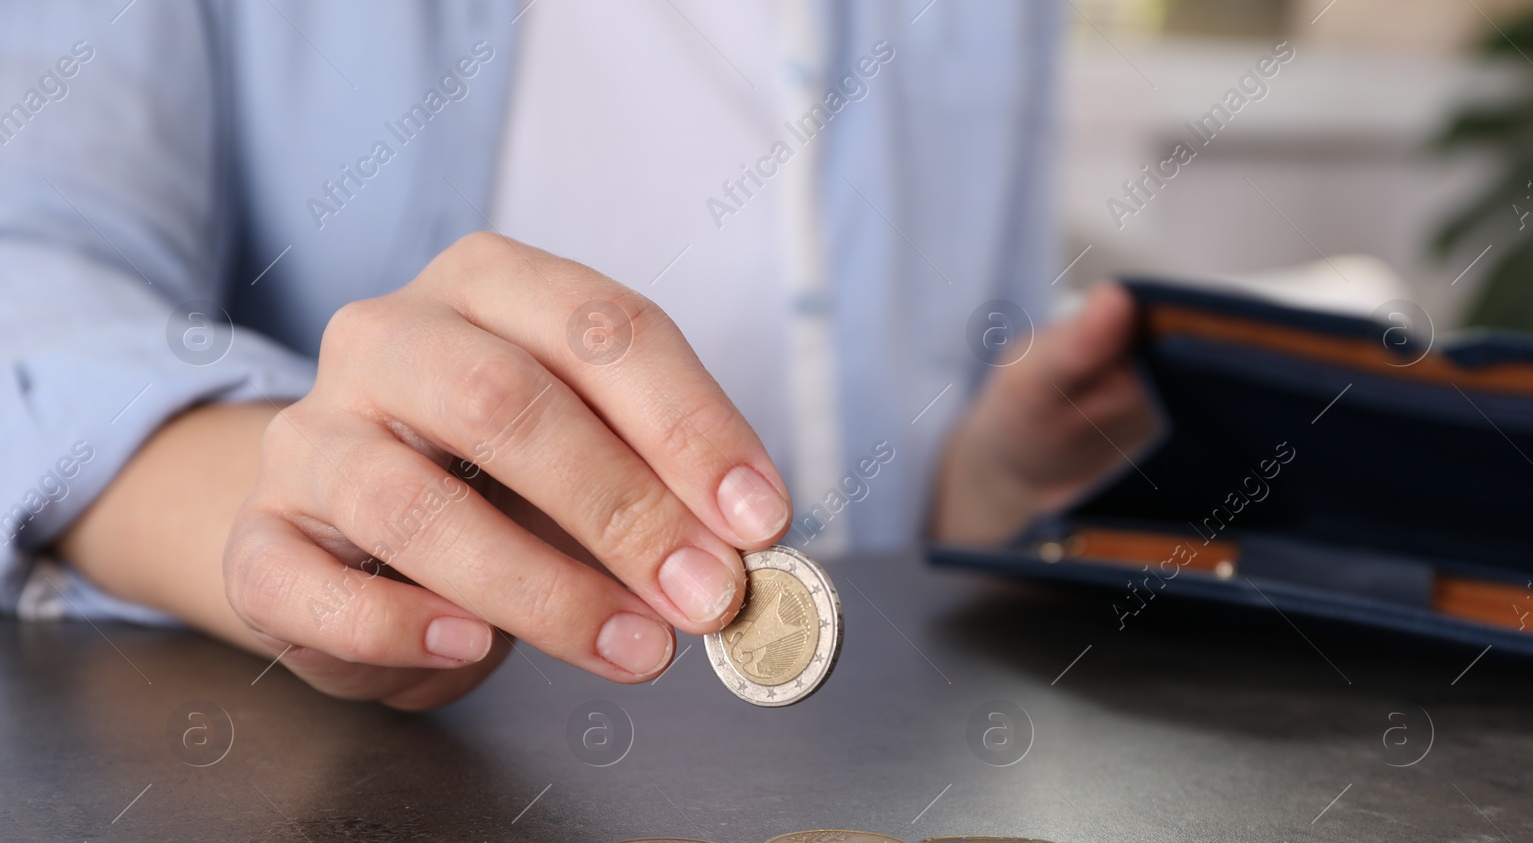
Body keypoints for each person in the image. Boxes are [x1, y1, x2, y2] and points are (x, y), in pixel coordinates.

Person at [0, 1, 1153, 709]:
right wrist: (299, 506)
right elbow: (36, 273)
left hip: (889, 785)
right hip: (413, 795)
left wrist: (991, 479)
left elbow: (931, 435)